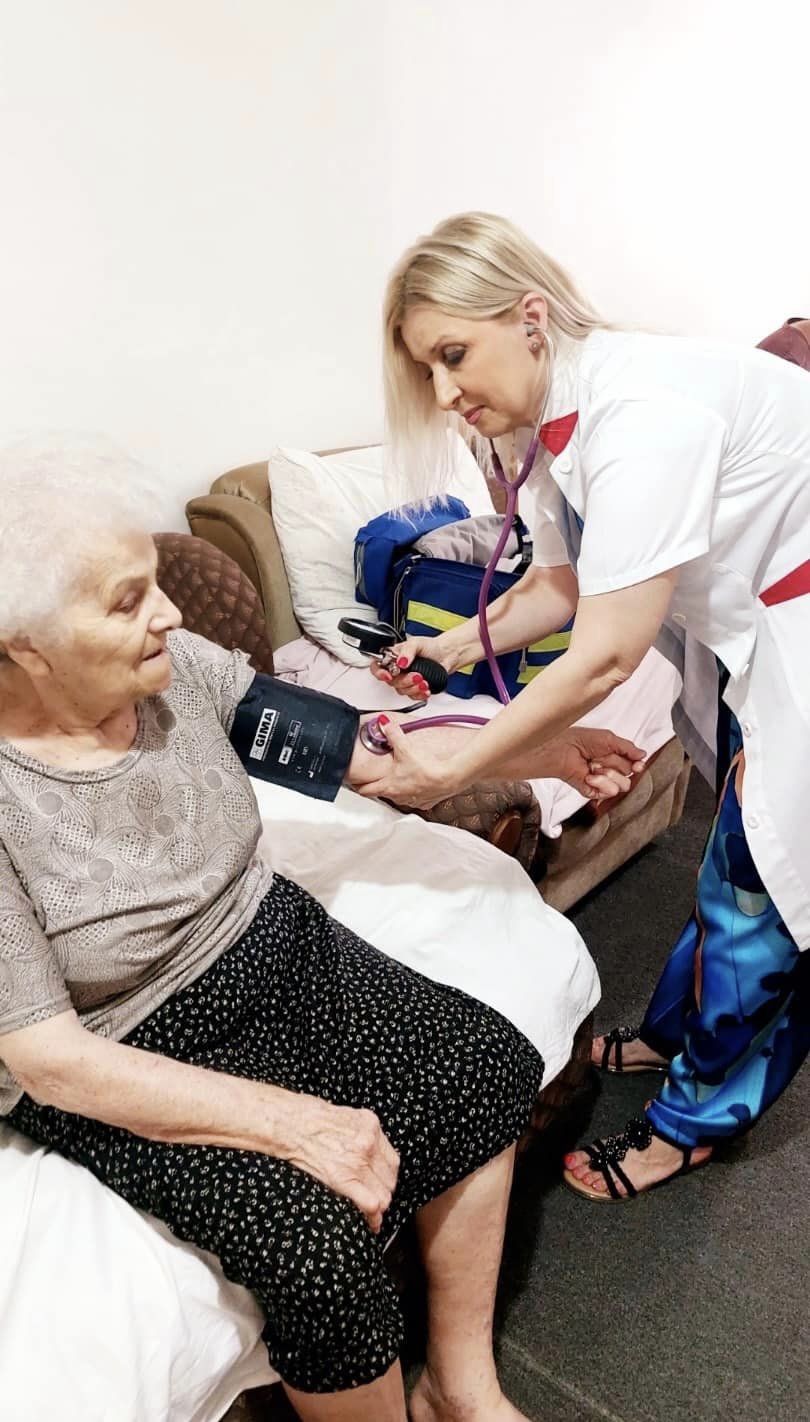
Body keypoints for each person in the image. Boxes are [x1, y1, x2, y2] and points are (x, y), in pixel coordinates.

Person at [0, 446, 641, 1419]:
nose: (169, 613)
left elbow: (361, 756)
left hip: (266, 936)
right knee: (315, 1245)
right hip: (124, 1036)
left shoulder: (181, 670)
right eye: (129, 601)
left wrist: (542, 749)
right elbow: (47, 1058)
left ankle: (460, 1387)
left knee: (481, 1060)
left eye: (156, 584)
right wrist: (295, 1122)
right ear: (23, 647)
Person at [363, 210, 810, 1202]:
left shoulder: (641, 410)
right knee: (738, 862)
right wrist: (444, 649)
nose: (444, 394)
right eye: (427, 370)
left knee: (768, 891)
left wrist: (459, 763)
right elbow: (556, 591)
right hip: (760, 638)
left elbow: (606, 654)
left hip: (799, 633)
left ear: (530, 318)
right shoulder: (549, 428)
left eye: (452, 356)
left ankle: (694, 1123)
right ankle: (674, 1035)